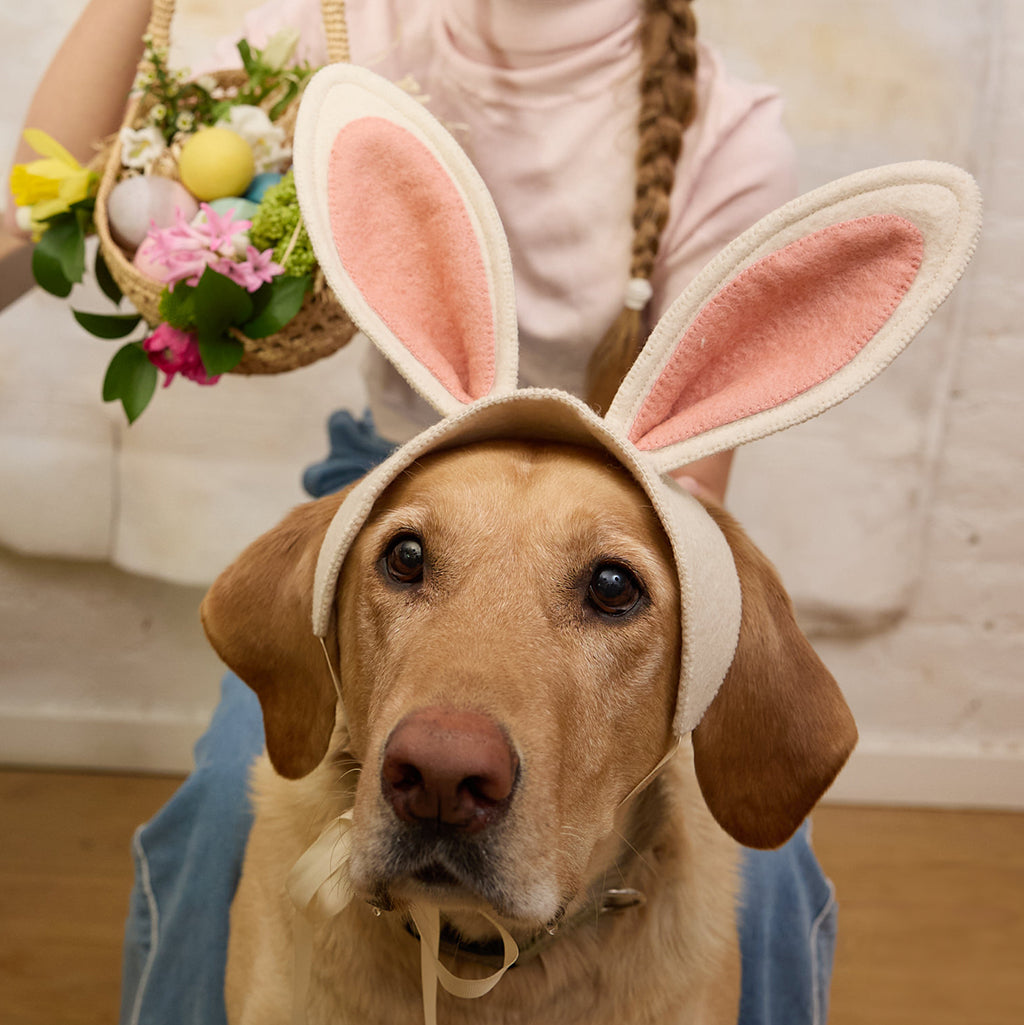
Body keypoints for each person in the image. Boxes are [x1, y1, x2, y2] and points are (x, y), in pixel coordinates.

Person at [11, 3, 838, 1024]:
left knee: (770, 867)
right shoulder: (375, 33)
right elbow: (32, 214)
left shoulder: (728, 129)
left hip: (625, 518)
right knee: (218, 811)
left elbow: (683, 486)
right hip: (394, 486)